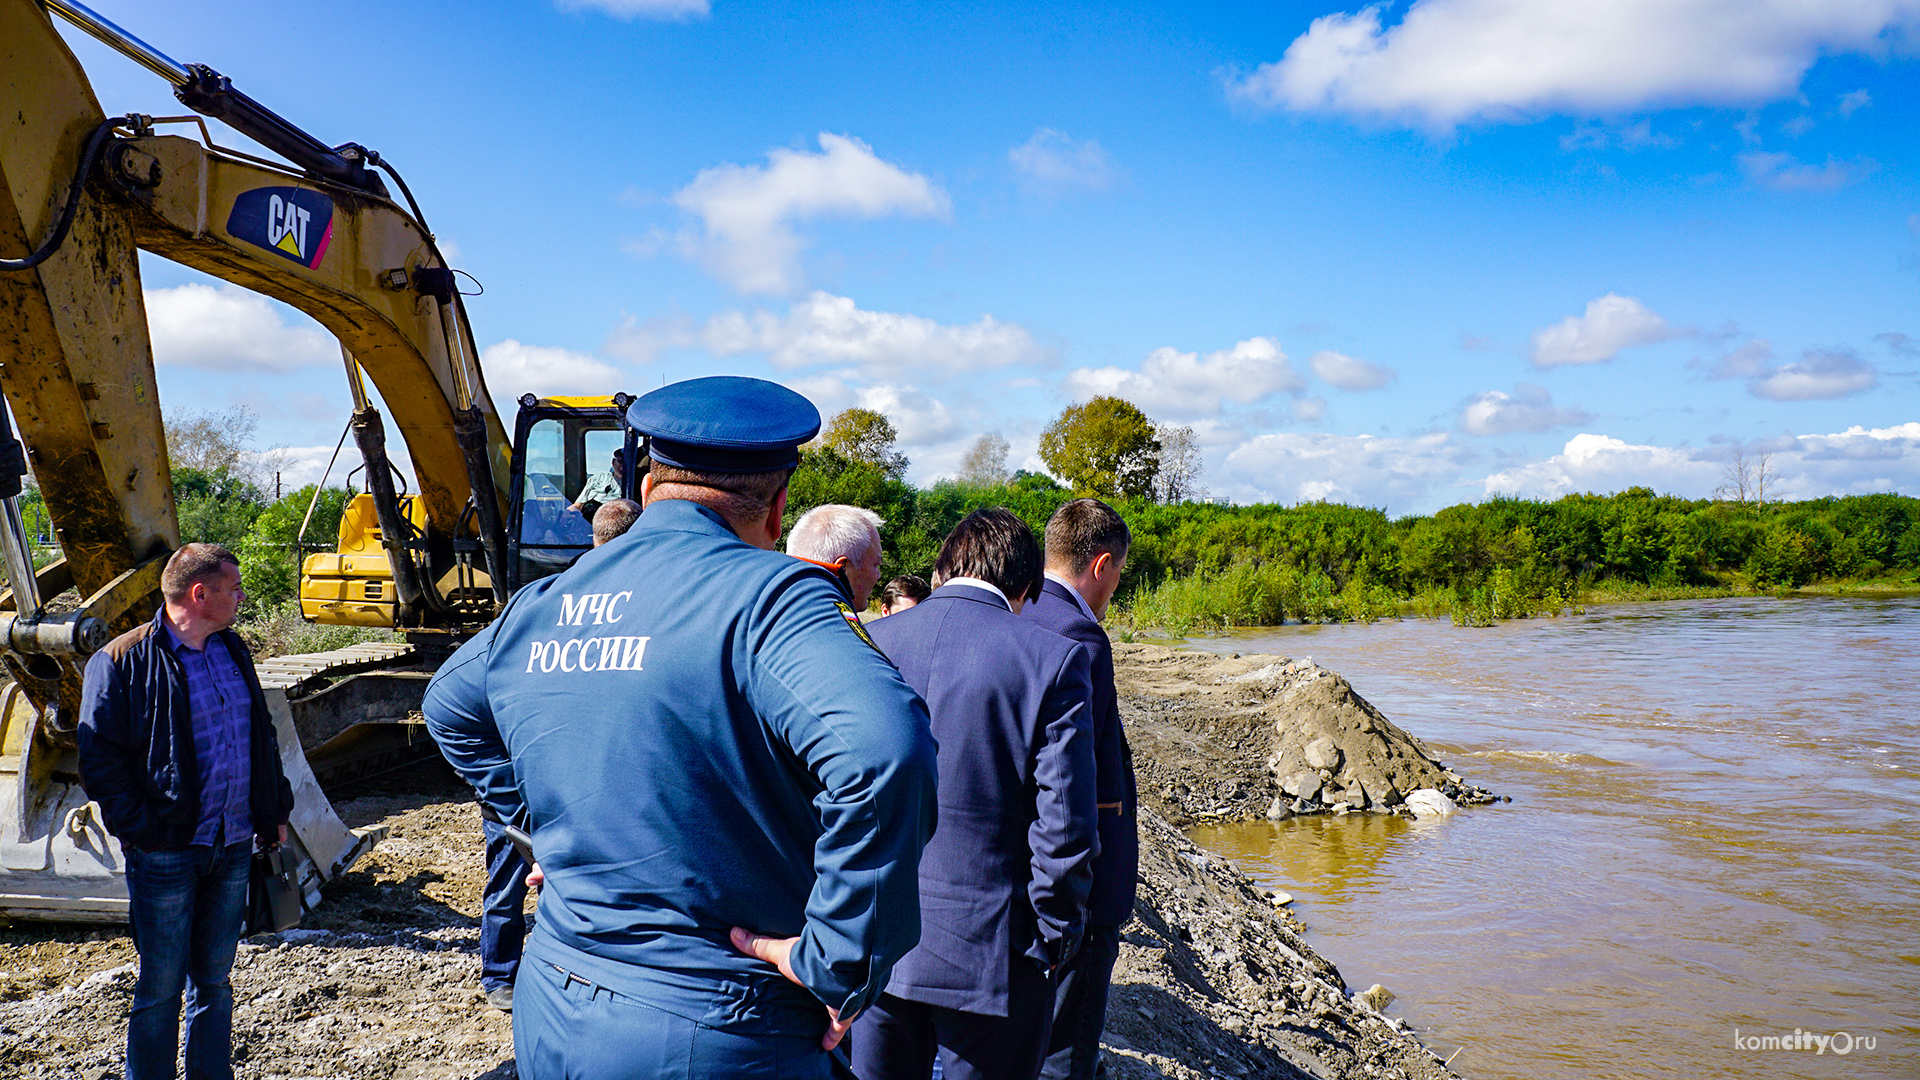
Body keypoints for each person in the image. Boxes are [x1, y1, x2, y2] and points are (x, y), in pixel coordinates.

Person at [423, 375, 939, 1080]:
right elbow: (886, 754)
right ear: (778, 505)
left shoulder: (546, 601)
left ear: (646, 478)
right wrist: (839, 959)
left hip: (554, 1001)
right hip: (713, 1024)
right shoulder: (769, 600)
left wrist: (532, 824)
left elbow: (448, 704)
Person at [852, 508, 1100, 1080]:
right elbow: (1065, 824)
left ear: (943, 570)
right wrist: (1054, 936)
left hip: (874, 944)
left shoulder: (870, 638)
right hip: (994, 956)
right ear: (1026, 586)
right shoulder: (1052, 659)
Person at [76, 543, 295, 1080]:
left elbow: (260, 737)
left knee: (215, 982)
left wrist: (274, 813)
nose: (242, 597)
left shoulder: (232, 649)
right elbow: (100, 759)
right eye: (234, 588)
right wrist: (144, 832)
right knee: (159, 989)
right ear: (200, 594)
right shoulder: (121, 661)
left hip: (234, 843)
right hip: (167, 853)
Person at [1027, 499, 1136, 1080]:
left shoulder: (1020, 609)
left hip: (1026, 863)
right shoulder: (1082, 637)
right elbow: (1091, 772)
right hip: (1080, 876)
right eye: (1118, 572)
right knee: (1070, 1034)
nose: (1116, 584)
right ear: (1100, 565)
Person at [787, 504, 885, 610]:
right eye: (875, 565)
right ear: (842, 569)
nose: (878, 575)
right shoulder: (831, 623)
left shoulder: (773, 606)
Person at [568, 447, 627, 518]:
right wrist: (564, 515)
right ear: (613, 462)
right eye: (620, 461)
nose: (623, 465)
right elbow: (577, 505)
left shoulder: (637, 484)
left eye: (627, 462)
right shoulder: (596, 480)